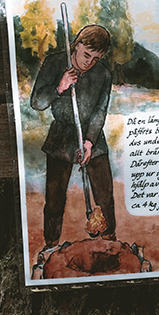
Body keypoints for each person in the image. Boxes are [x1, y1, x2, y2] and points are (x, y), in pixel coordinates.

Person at [30, 24, 116, 248]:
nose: (89, 62)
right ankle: (50, 243)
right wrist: (60, 87)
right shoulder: (55, 63)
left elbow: (99, 112)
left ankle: (109, 239)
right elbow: (37, 103)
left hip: (92, 136)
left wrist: (89, 142)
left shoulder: (103, 74)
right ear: (76, 45)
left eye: (95, 58)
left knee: (104, 193)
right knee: (55, 198)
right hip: (61, 136)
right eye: (86, 55)